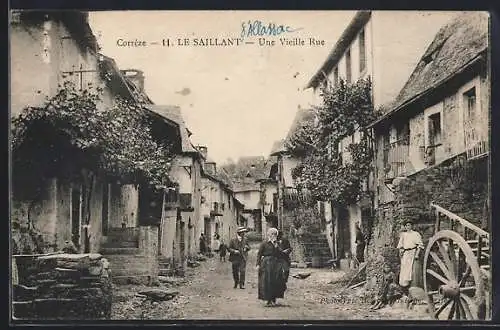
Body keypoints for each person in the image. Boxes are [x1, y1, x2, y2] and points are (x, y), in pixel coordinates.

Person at [397, 219, 424, 296]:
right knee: (405, 271)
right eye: (406, 225)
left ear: (412, 226)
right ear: (405, 227)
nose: (408, 227)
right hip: (406, 254)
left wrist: (417, 254)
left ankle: (415, 289)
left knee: (413, 271)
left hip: (413, 252)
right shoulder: (403, 235)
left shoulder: (416, 234)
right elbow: (400, 246)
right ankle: (405, 289)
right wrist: (401, 252)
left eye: (409, 225)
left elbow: (420, 245)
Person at [276, 230, 292, 301]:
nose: (279, 236)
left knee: (286, 271)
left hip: (285, 258)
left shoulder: (285, 240)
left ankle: (285, 281)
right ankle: (281, 285)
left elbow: (290, 248)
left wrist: (286, 251)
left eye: (280, 235)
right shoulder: (274, 241)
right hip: (277, 259)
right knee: (278, 272)